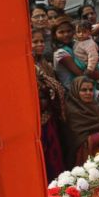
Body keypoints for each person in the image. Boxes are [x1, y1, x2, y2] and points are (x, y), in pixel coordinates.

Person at [62, 76, 99, 166]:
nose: (88, 93)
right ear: (75, 92)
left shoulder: (96, 109)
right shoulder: (72, 112)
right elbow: (75, 141)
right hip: (86, 162)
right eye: (84, 90)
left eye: (91, 90)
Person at [32, 30, 66, 179]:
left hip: (49, 117)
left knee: (55, 158)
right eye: (35, 42)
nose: (39, 45)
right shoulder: (28, 66)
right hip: (37, 121)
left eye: (41, 42)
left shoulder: (44, 63)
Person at [52, 17, 81, 88]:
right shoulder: (60, 53)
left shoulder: (76, 45)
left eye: (69, 31)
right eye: (61, 32)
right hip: (72, 91)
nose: (66, 34)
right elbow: (80, 74)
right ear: (55, 35)